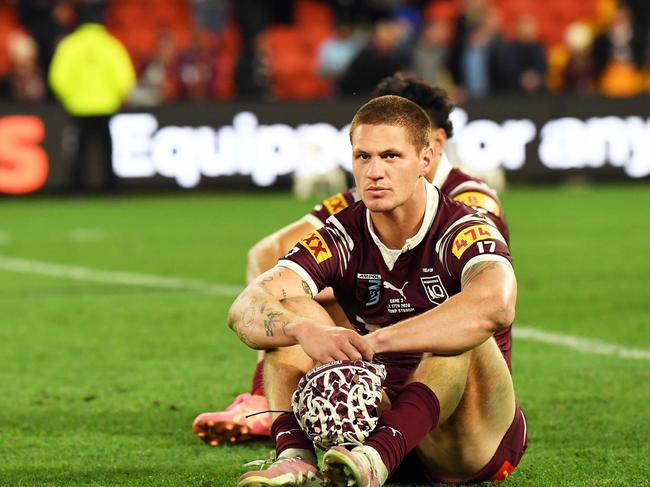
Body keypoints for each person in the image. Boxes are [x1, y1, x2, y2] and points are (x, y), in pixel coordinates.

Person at [192, 74, 512, 446]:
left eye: (392, 151)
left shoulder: (469, 203)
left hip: (461, 387)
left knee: (452, 330)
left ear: (430, 145)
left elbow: (486, 299)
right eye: (366, 153)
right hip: (381, 371)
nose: (376, 167)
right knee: (294, 302)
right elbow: (265, 255)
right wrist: (309, 319)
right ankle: (279, 414)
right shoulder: (364, 198)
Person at [48, 4, 135, 192]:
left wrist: (69, 97)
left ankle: (77, 188)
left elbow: (58, 77)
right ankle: (110, 188)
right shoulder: (110, 44)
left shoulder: (70, 44)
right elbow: (124, 77)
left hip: (78, 106)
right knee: (107, 148)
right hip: (105, 105)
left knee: (79, 148)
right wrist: (116, 96)